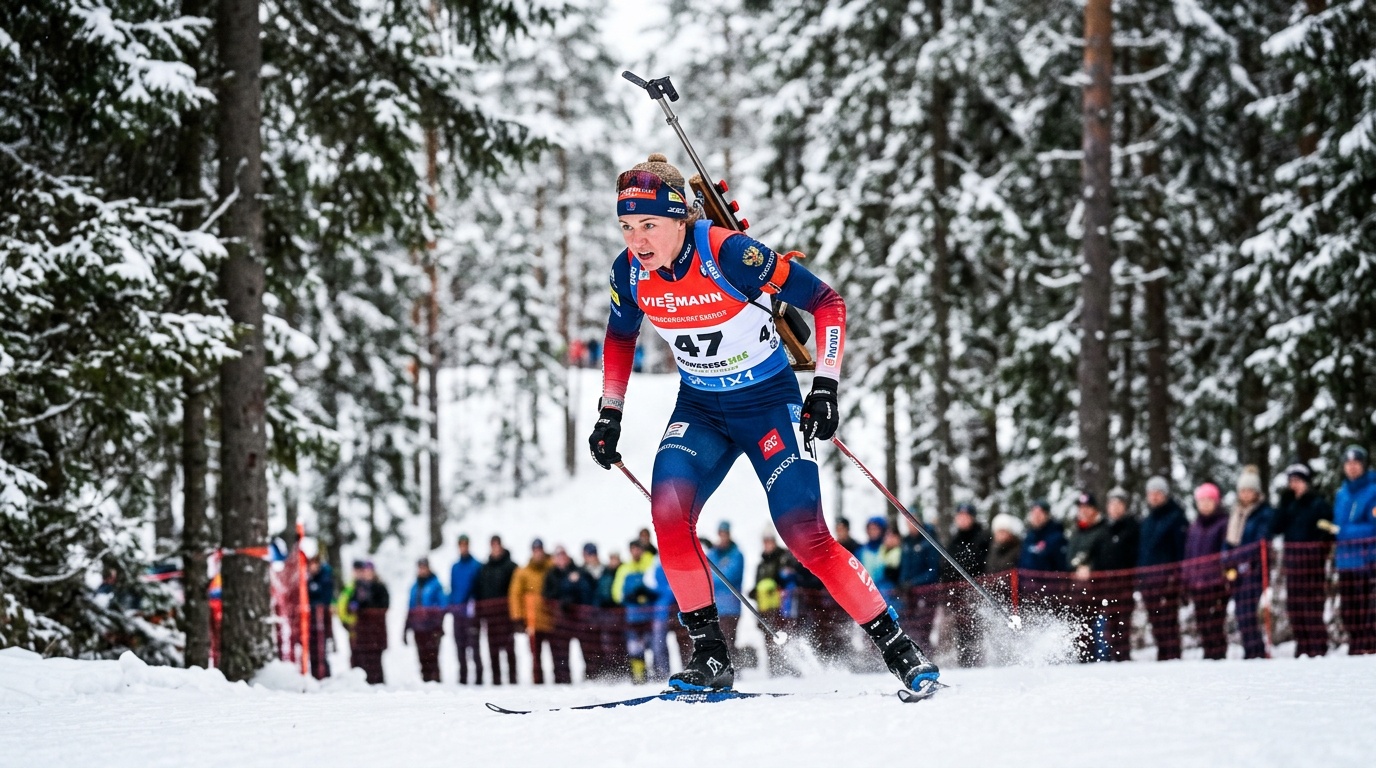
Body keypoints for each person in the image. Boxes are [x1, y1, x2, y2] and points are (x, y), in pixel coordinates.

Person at [586, 153, 938, 694]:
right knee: (668, 515)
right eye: (627, 226)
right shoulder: (629, 271)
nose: (637, 240)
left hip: (768, 404)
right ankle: (709, 656)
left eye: (650, 225)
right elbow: (619, 337)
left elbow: (827, 302)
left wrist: (824, 385)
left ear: (681, 219)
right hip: (700, 409)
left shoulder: (729, 254)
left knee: (804, 535)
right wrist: (610, 412)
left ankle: (900, 649)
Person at [1270, 461, 1335, 657]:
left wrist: (1318, 551)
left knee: (1312, 607)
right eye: (1292, 481)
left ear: (1307, 482)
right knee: (1295, 608)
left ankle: (1317, 648)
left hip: (1313, 565)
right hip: (1293, 565)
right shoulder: (1289, 504)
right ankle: (1302, 646)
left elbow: (1328, 531)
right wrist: (1283, 504)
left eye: (1298, 480)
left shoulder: (1318, 504)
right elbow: (1275, 527)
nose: (1294, 484)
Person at [1222, 466, 1275, 659]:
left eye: (1249, 490)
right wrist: (1226, 559)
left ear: (1256, 492)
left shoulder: (1264, 513)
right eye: (1242, 490)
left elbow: (1260, 542)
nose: (1245, 494)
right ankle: (1249, 650)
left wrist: (1241, 557)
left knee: (1248, 611)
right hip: (1236, 570)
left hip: (1254, 569)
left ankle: (1257, 651)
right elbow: (1228, 541)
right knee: (1240, 612)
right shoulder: (1236, 513)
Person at [1138, 476, 1189, 660]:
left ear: (1165, 494)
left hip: (1168, 581)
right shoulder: (1146, 521)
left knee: (1169, 621)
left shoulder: (1176, 517)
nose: (1154, 497)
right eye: (1151, 493)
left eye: (1158, 493)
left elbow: (1182, 550)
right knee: (1156, 622)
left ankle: (1173, 656)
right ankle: (1162, 655)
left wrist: (1177, 577)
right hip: (1148, 582)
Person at [1333, 445, 1376, 655]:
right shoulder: (1341, 494)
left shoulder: (1373, 490)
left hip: (1367, 560)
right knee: (1348, 609)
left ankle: (1369, 645)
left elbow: (1373, 525)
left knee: (1367, 608)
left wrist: (1344, 532)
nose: (1351, 468)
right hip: (1345, 561)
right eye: (1348, 464)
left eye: (1356, 463)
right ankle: (1355, 644)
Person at [1183, 483, 1230, 660]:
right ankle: (1208, 656)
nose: (1204, 504)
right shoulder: (1194, 527)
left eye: (1208, 500)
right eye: (1201, 501)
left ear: (1216, 502)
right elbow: (1188, 556)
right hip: (1197, 584)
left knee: (1215, 624)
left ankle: (1219, 656)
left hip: (1216, 583)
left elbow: (1227, 553)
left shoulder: (1223, 523)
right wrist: (1186, 580)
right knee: (1202, 625)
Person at [942, 503, 990, 667]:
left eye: (966, 516)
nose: (962, 519)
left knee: (977, 629)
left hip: (976, 591)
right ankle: (964, 663)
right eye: (959, 516)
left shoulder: (982, 537)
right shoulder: (954, 540)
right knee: (960, 632)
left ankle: (981, 662)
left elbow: (981, 562)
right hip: (957, 595)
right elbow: (946, 566)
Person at [1067, 493, 1112, 662]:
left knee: (1101, 634)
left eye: (1087, 508)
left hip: (1100, 592)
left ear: (1094, 510)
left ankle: (1103, 661)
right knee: (1081, 634)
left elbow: (1106, 558)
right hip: (1079, 594)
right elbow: (1069, 559)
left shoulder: (1103, 530)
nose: (1083, 511)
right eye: (1081, 508)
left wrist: (1090, 568)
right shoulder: (1077, 532)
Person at [510, 539, 562, 683]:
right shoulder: (523, 572)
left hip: (552, 620)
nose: (538, 553)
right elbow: (515, 595)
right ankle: (537, 682)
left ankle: (561, 681)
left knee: (557, 654)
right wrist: (518, 617)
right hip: (533, 621)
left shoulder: (552, 567)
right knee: (535, 656)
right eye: (535, 550)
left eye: (540, 550)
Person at [1100, 487, 1140, 661]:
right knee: (1110, 624)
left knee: (1123, 623)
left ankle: (1124, 657)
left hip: (1125, 583)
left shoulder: (1133, 526)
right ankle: (1113, 657)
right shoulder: (1105, 529)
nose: (1115, 508)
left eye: (1119, 504)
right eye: (1112, 504)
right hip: (1107, 585)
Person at [612, 539, 658, 683]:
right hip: (633, 616)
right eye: (634, 549)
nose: (636, 552)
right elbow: (616, 594)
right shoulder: (624, 569)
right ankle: (639, 677)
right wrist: (629, 596)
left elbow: (657, 586)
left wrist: (648, 593)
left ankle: (657, 674)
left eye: (639, 549)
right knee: (635, 648)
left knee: (654, 646)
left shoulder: (650, 564)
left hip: (650, 615)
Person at [336, 560, 389, 684]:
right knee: (361, 659)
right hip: (361, 633)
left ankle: (377, 683)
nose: (366, 574)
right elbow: (346, 606)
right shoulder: (356, 588)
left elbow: (383, 605)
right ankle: (361, 683)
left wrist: (366, 608)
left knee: (375, 660)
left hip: (375, 632)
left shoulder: (379, 587)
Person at [476, 536, 518, 685]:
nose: (495, 548)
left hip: (506, 615)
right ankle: (496, 678)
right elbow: (480, 591)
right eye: (492, 545)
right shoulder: (485, 568)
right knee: (492, 648)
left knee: (509, 647)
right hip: (491, 616)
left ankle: (513, 678)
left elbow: (515, 590)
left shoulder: (511, 566)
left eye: (497, 545)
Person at [897, 514, 942, 646]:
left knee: (925, 628)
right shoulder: (906, 542)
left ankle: (928, 655)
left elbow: (933, 570)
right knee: (910, 627)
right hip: (909, 595)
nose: (910, 525)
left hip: (927, 592)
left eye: (912, 521)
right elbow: (904, 566)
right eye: (907, 522)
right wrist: (902, 583)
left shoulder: (928, 539)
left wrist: (913, 583)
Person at [707, 521, 746, 659]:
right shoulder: (712, 554)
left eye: (726, 534)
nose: (723, 537)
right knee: (717, 643)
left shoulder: (737, 554)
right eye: (721, 534)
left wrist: (715, 575)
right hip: (715, 607)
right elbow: (707, 576)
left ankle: (734, 668)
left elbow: (727, 577)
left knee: (729, 641)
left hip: (731, 607)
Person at [404, 557, 447, 682]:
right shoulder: (414, 587)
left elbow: (443, 605)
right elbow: (410, 607)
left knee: (432, 657)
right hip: (419, 628)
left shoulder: (436, 585)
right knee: (422, 658)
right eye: (420, 567)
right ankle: (426, 683)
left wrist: (435, 619)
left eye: (424, 567)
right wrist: (406, 627)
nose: (422, 570)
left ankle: (436, 683)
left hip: (432, 628)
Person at [448, 534, 483, 684]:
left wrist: (473, 603)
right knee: (459, 645)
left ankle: (479, 677)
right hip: (458, 613)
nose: (463, 547)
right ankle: (463, 677)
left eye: (465, 544)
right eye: (461, 545)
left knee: (474, 646)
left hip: (471, 613)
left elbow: (479, 589)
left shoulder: (476, 566)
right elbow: (453, 588)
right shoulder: (455, 567)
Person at [305, 552, 334, 679]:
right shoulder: (310, 578)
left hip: (322, 619)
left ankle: (323, 675)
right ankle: (317, 674)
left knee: (321, 648)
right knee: (314, 648)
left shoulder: (325, 577)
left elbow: (325, 598)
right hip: (312, 620)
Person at [1019, 499, 1069, 572]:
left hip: (1048, 582)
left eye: (1040, 513)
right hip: (1026, 581)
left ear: (1047, 515)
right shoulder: (1029, 537)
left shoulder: (1057, 538)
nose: (1036, 517)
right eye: (1034, 513)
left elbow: (1062, 567)